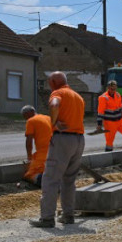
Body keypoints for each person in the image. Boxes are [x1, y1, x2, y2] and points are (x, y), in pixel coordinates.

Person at [30, 72, 85, 228]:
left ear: (54, 82)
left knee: (51, 179)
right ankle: (68, 215)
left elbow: (54, 104)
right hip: (79, 139)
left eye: (49, 82)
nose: (49, 85)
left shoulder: (58, 92)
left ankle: (47, 218)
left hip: (62, 139)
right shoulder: (78, 97)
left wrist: (54, 122)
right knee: (69, 180)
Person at [95, 80, 122, 152]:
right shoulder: (103, 98)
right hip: (109, 123)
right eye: (111, 89)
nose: (113, 91)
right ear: (108, 88)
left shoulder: (117, 95)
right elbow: (100, 113)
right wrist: (99, 125)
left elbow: (121, 108)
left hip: (120, 121)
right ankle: (108, 156)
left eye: (114, 89)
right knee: (109, 141)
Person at [21, 105, 52, 188]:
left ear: (28, 113)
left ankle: (43, 181)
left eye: (24, 116)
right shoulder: (48, 118)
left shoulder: (31, 121)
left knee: (29, 175)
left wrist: (29, 157)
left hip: (44, 153)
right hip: (55, 150)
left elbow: (29, 141)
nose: (25, 119)